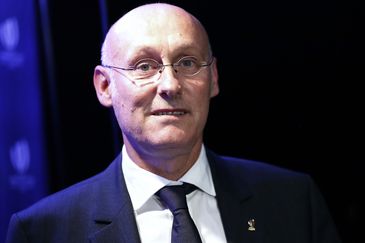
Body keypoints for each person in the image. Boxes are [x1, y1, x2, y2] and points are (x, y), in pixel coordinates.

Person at [6, 3, 342, 243]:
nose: (170, 85)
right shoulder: (44, 231)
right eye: (143, 66)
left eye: (187, 62)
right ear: (105, 86)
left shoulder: (293, 203)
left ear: (213, 78)